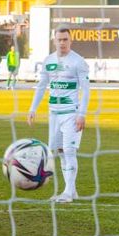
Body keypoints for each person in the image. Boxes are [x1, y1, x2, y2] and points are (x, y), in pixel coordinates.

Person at [27, 27, 90, 204]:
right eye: (59, 39)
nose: (62, 42)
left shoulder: (78, 62)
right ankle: (72, 190)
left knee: (69, 151)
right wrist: (33, 109)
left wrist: (81, 114)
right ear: (54, 41)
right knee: (60, 152)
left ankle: (68, 192)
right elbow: (41, 86)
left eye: (65, 39)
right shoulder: (48, 61)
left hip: (71, 113)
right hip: (54, 113)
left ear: (71, 41)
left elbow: (85, 90)